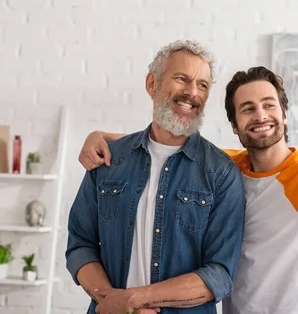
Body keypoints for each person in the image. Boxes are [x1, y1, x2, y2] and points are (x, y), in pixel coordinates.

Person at [79, 66, 298, 314]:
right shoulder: (225, 168)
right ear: (235, 124)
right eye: (247, 108)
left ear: (284, 114)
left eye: (268, 105)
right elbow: (162, 146)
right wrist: (100, 136)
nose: (260, 115)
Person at [66, 40, 245, 314]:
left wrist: (134, 301)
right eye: (181, 78)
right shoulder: (109, 160)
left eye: (202, 85)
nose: (192, 92)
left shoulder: (220, 173)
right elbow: (81, 245)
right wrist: (113, 304)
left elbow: (219, 274)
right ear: (152, 84)